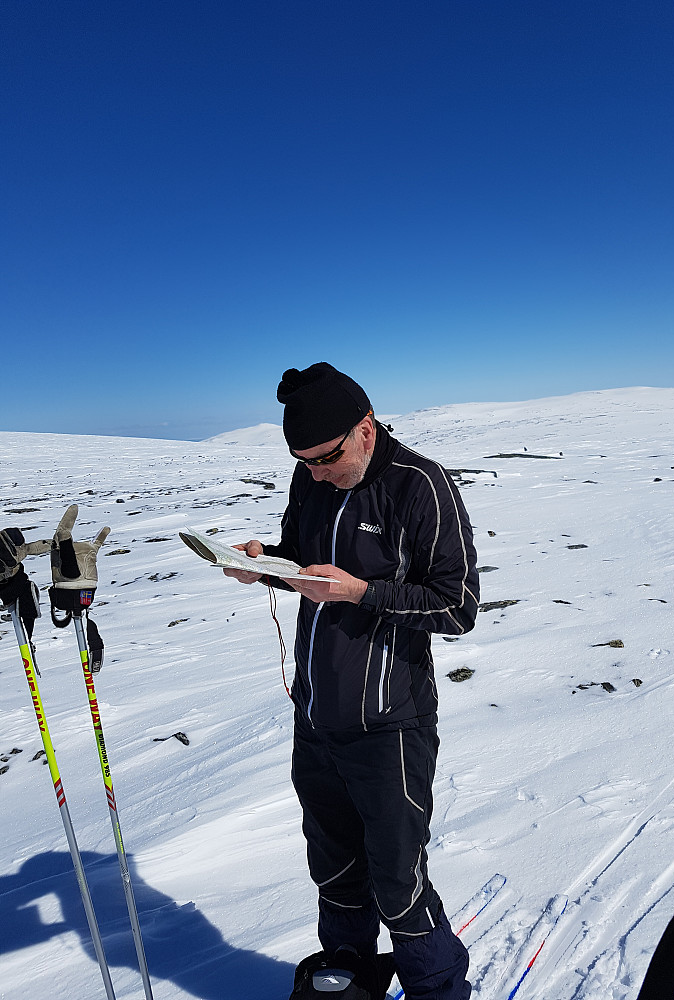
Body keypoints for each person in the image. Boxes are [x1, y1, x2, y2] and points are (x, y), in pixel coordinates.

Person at [225, 362, 480, 1000]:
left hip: (390, 724)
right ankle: (348, 986)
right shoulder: (309, 477)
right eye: (301, 460)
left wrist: (362, 592)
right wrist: (265, 569)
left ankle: (438, 990)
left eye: (326, 458)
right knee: (335, 873)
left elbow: (458, 606)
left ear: (365, 429)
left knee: (398, 881)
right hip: (315, 718)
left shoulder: (419, 485)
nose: (315, 473)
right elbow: (299, 562)